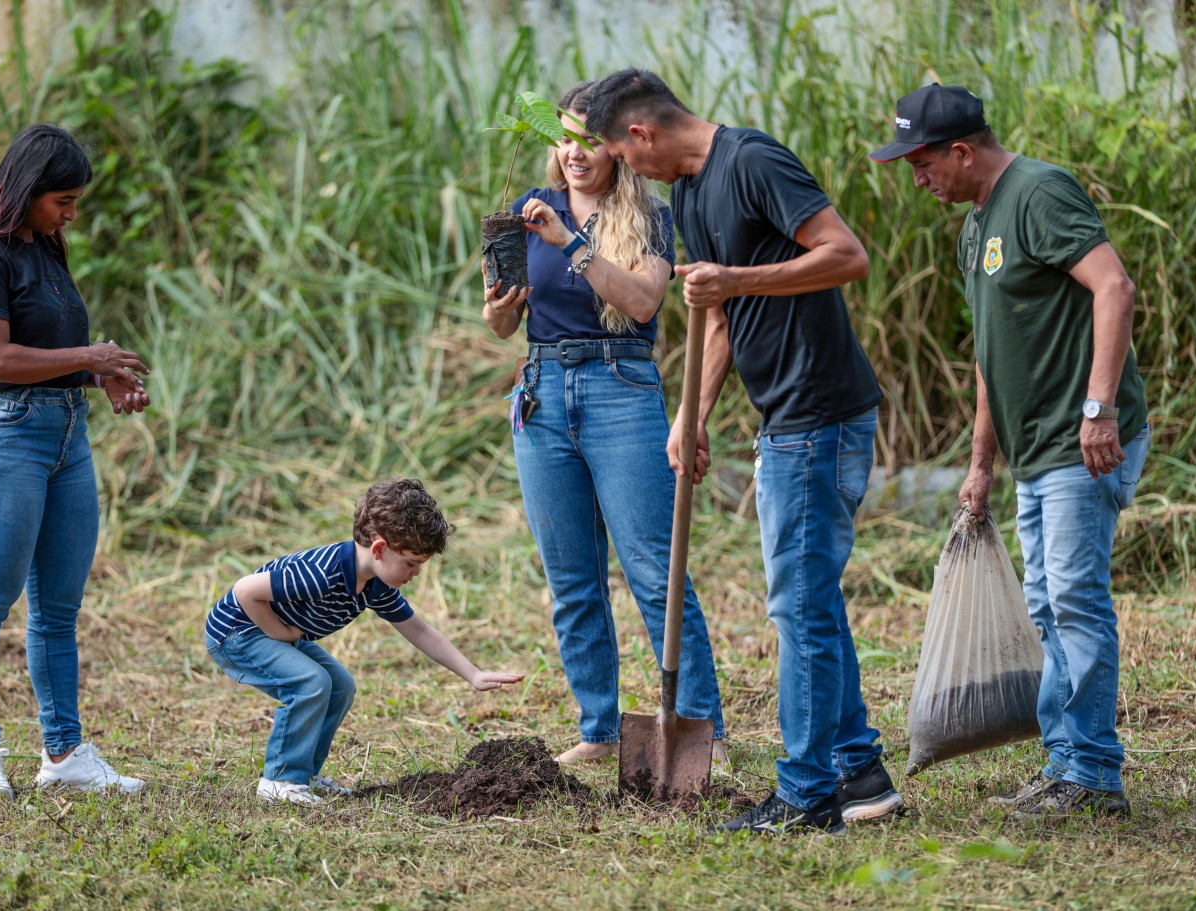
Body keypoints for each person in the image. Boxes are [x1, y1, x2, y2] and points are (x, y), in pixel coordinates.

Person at [586, 70, 904, 835]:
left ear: (641, 136)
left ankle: (804, 794)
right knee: (813, 604)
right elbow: (719, 316)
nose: (628, 173)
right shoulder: (693, 192)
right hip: (784, 416)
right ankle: (859, 772)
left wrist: (738, 276)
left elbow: (846, 255)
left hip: (820, 415)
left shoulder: (754, 161)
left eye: (623, 158)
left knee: (798, 608)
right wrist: (690, 415)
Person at [871, 84, 1150, 817]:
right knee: (1046, 605)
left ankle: (1092, 773)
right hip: (1035, 448)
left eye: (923, 163)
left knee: (1073, 600)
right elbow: (993, 355)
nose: (917, 178)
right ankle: (1067, 762)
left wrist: (1099, 409)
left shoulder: (1038, 192)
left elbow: (1114, 288)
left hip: (1080, 439)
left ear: (962, 151)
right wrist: (979, 460)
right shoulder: (974, 227)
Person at [482, 81, 727, 765]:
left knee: (655, 570)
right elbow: (502, 323)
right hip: (542, 394)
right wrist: (499, 305)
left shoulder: (647, 214)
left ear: (618, 147)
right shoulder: (525, 212)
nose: (575, 152)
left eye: (591, 140)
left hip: (620, 387)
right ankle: (598, 728)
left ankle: (702, 729)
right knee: (572, 578)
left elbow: (646, 301)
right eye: (564, 137)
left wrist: (569, 244)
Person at [0, 123, 154, 800]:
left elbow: (46, 353)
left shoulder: (45, 250)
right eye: (61, 199)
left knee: (58, 605)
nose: (71, 212)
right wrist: (91, 356)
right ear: (27, 189)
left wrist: (99, 378)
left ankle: (64, 753)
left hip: (67, 438)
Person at [205, 479, 524, 804]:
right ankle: (279, 781)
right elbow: (245, 590)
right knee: (310, 682)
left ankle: (304, 776)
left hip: (271, 632)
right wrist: (279, 633)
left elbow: (418, 630)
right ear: (379, 548)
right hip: (237, 632)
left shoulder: (375, 584)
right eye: (411, 563)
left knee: (340, 686)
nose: (414, 573)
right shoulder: (322, 572)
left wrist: (472, 673)